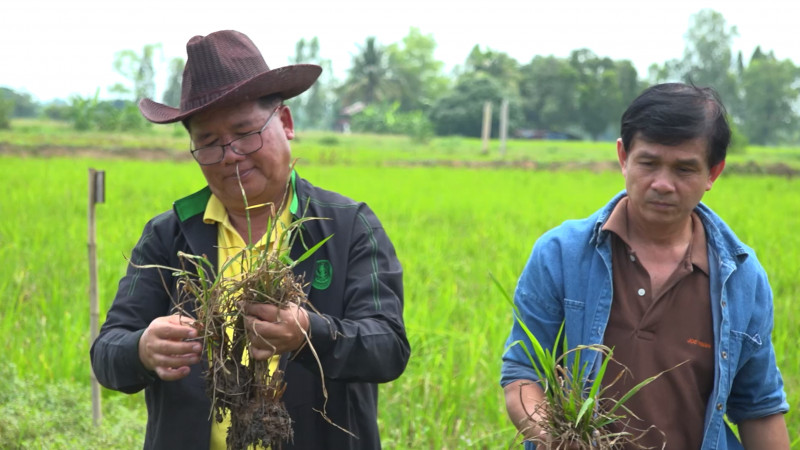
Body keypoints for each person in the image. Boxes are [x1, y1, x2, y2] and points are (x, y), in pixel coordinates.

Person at [90, 30, 410, 450]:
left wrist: (308, 333)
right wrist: (143, 349)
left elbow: (388, 346)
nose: (230, 154)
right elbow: (107, 353)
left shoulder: (347, 225)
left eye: (245, 133)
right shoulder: (169, 235)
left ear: (286, 123)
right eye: (208, 143)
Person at [501, 83, 789, 449]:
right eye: (648, 163)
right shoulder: (561, 254)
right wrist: (559, 439)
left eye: (684, 169)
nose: (663, 184)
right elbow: (523, 376)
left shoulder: (742, 278)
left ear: (713, 173)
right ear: (623, 157)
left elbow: (759, 408)